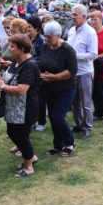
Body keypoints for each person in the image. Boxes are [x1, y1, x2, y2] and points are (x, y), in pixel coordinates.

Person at [0, 34, 40, 177]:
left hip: (25, 108)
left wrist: (2, 86)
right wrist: (1, 80)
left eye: (12, 47)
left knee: (21, 136)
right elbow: (10, 79)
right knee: (13, 133)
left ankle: (29, 166)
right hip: (14, 107)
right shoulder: (16, 61)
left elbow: (21, 90)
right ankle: (32, 157)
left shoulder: (29, 65)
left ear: (22, 49)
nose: (9, 49)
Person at [40, 21, 78, 156]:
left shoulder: (68, 50)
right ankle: (58, 144)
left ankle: (70, 142)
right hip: (49, 88)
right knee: (52, 116)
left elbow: (73, 71)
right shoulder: (45, 47)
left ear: (58, 35)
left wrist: (55, 77)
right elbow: (42, 63)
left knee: (57, 117)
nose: (46, 39)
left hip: (66, 88)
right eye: (45, 36)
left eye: (49, 37)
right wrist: (41, 74)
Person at [67, 4, 98, 138]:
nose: (72, 17)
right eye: (72, 14)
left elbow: (93, 54)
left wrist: (74, 56)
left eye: (75, 15)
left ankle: (87, 127)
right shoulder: (71, 31)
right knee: (75, 102)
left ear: (84, 16)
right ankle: (78, 124)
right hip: (72, 72)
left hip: (85, 72)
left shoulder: (90, 32)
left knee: (85, 103)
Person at [27, 16, 47, 131]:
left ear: (36, 28)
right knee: (31, 99)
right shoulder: (27, 39)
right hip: (29, 73)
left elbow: (42, 58)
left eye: (29, 27)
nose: (28, 29)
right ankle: (32, 120)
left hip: (39, 74)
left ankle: (42, 121)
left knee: (40, 99)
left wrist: (31, 61)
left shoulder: (41, 40)